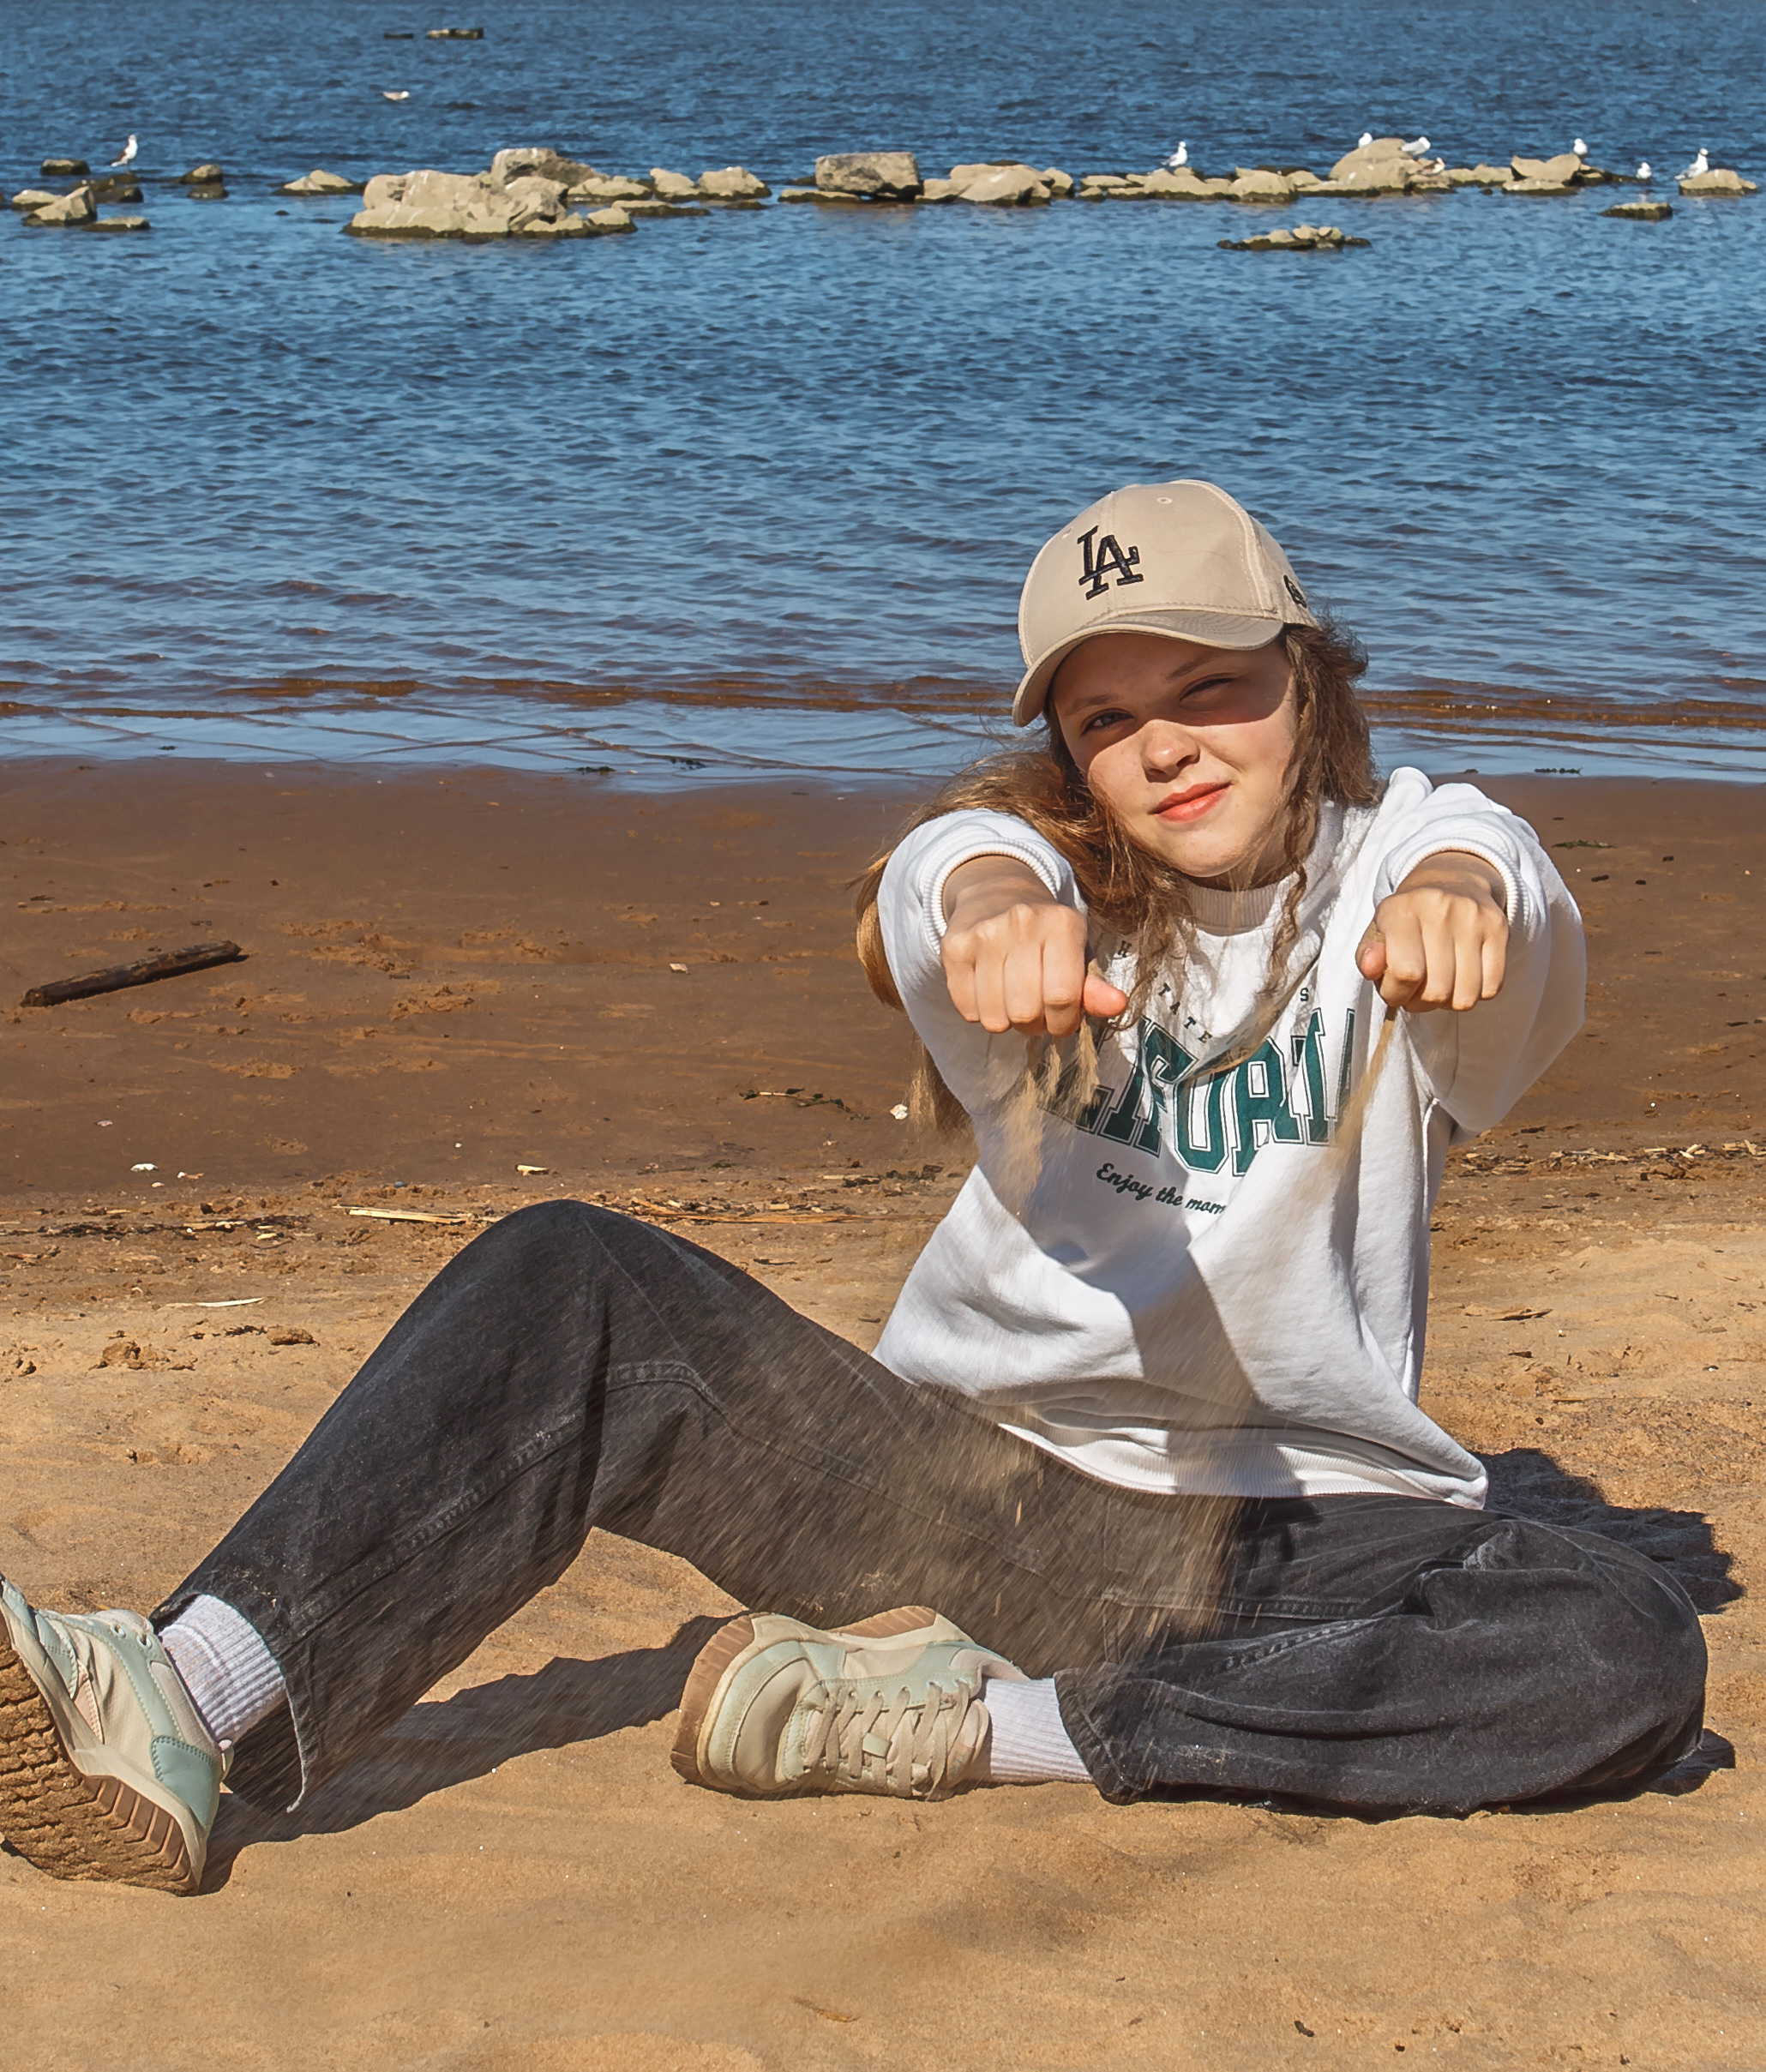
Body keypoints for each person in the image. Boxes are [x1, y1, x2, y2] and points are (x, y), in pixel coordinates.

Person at [0, 479, 1706, 1899]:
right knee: (567, 1273)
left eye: (1211, 689)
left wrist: (1465, 895)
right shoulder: (1026, 883)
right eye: (1109, 721)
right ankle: (187, 1690)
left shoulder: (1413, 871)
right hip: (952, 1494)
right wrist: (988, 910)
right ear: (1068, 759)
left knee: (1615, 1644)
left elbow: (1479, 859)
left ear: (1306, 683)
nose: (1169, 749)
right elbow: (941, 872)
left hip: (1287, 1543)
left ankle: (972, 1725)